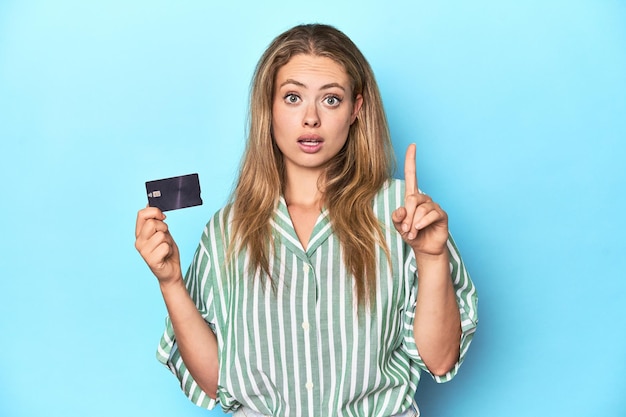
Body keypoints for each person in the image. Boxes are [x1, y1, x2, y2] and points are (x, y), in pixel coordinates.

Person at [135, 23, 478, 417]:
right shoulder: (227, 230)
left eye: (330, 100)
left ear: (356, 109)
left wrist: (432, 258)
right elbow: (216, 381)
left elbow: (439, 359)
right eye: (293, 97)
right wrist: (171, 282)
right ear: (269, 106)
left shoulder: (404, 214)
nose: (310, 118)